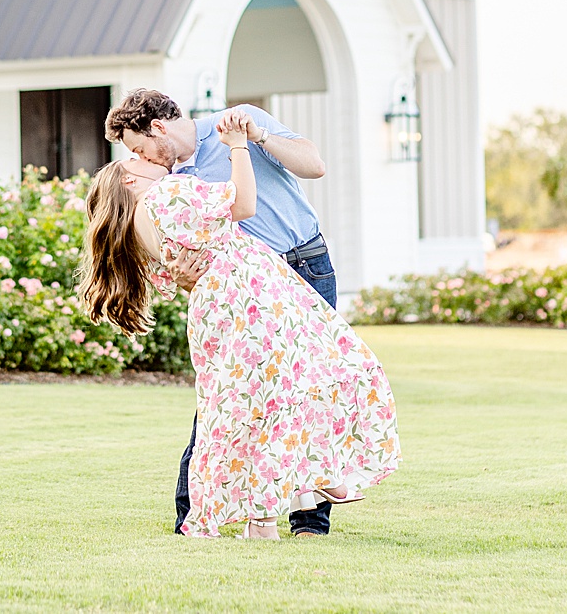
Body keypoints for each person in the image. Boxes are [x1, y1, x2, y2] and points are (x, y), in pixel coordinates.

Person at [78, 110, 399, 539]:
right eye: (134, 157)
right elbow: (236, 212)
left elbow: (313, 166)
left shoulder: (232, 127)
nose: (142, 158)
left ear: (157, 128)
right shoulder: (170, 188)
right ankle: (304, 483)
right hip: (252, 296)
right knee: (293, 385)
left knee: (259, 400)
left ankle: (291, 515)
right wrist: (236, 150)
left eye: (137, 150)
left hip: (278, 277)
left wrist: (251, 137)